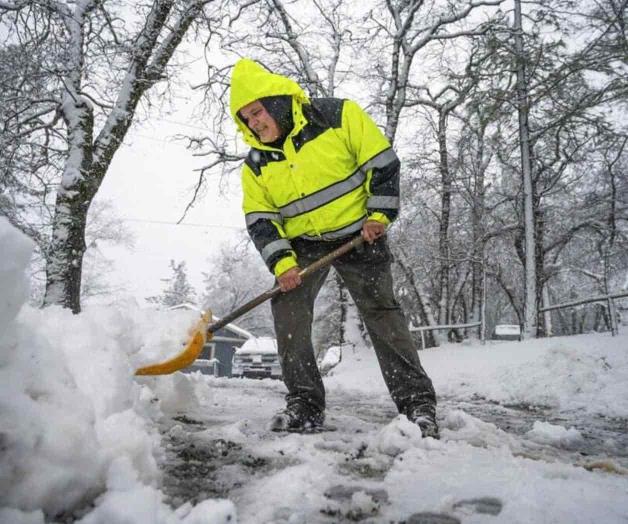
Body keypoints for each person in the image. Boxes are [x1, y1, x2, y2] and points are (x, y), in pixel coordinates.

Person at [229, 58, 438, 438]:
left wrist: (379, 214)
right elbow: (260, 219)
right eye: (246, 118)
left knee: (382, 314)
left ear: (275, 101)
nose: (254, 123)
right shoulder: (257, 163)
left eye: (257, 112)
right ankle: (305, 404)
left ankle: (417, 405)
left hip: (361, 233)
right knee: (288, 311)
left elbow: (383, 163)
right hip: (304, 245)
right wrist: (282, 265)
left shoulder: (338, 116)